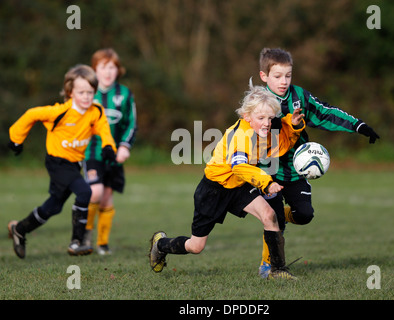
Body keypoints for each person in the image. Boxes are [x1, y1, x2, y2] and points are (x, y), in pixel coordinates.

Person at [149, 85, 306, 280]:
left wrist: (294, 126)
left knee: (270, 215)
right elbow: (238, 166)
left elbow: (280, 146)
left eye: (270, 118)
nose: (267, 123)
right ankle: (160, 244)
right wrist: (266, 183)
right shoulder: (241, 136)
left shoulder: (262, 132)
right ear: (247, 117)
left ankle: (277, 270)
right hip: (214, 190)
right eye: (261, 118)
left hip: (240, 186)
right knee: (196, 246)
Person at [257, 48, 380, 278]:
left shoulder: (300, 97)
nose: (284, 81)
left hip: (295, 170)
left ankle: (279, 216)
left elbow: (325, 113)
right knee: (273, 219)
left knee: (304, 215)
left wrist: (358, 125)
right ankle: (268, 265)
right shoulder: (258, 102)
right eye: (277, 76)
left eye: (288, 75)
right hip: (268, 169)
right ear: (264, 76)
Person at [7, 64, 117, 259]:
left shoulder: (96, 111)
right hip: (57, 162)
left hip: (74, 164)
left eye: (90, 92)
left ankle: (20, 229)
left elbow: (104, 130)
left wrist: (108, 147)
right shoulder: (60, 112)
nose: (86, 96)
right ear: (70, 92)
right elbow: (32, 115)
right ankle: (77, 242)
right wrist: (16, 139)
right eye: (81, 92)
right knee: (85, 192)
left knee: (54, 206)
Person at [83, 48, 137, 255]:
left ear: (118, 70)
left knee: (106, 197)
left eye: (112, 67)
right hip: (91, 153)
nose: (108, 72)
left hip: (114, 155)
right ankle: (84, 233)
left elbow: (131, 123)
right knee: (94, 192)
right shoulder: (88, 92)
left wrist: (124, 146)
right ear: (94, 69)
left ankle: (102, 244)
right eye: (103, 67)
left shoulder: (124, 94)